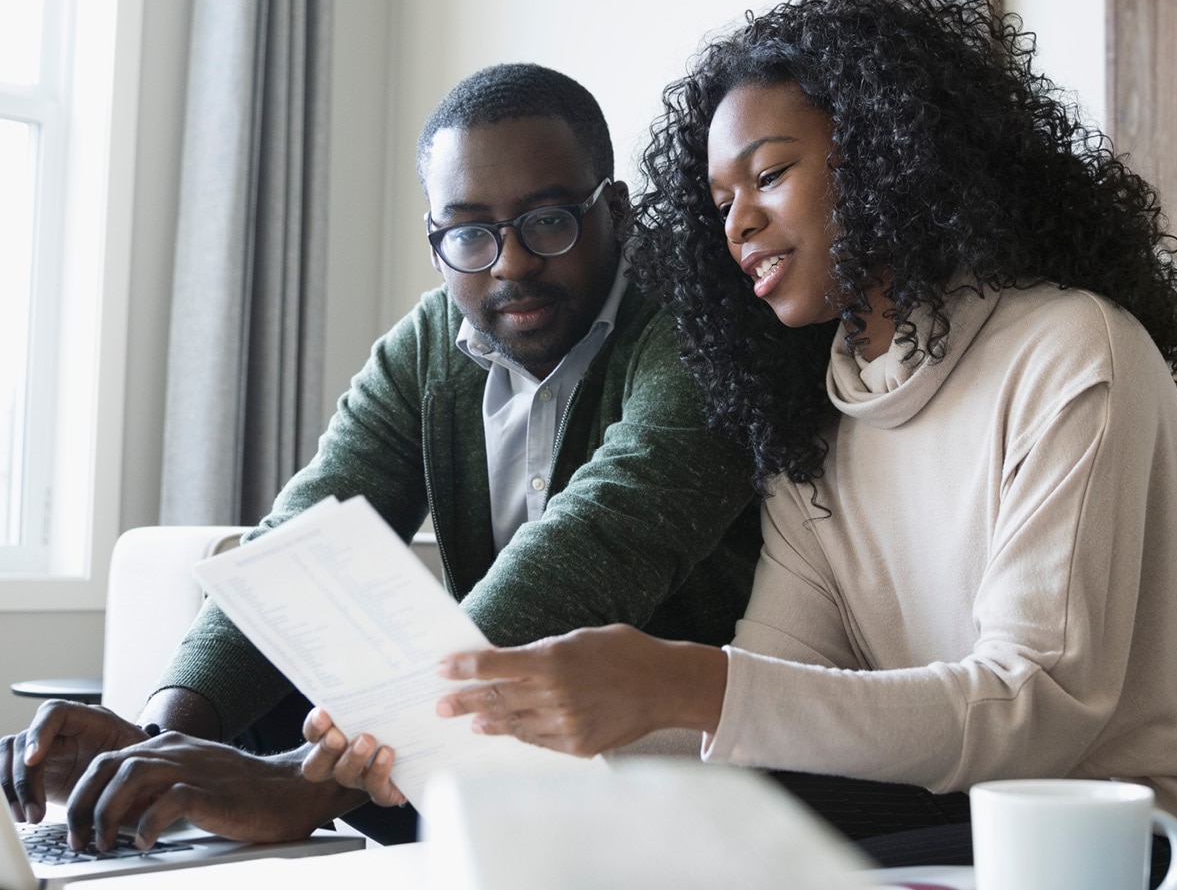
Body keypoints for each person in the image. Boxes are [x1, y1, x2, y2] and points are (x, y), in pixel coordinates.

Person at [304, 0, 1177, 890]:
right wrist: (517, 720)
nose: (734, 223)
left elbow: (1032, 709)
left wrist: (673, 678)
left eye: (769, 175)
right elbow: (774, 701)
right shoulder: (819, 419)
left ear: (883, 155)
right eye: (719, 195)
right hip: (1032, 836)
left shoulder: (1072, 350)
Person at [0, 63, 761, 851]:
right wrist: (157, 737)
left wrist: (305, 780)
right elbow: (300, 535)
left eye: (547, 221)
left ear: (614, 211)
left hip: (676, 774)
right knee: (291, 638)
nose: (509, 264)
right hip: (483, 759)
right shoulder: (428, 346)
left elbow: (595, 546)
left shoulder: (701, 321)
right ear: (434, 242)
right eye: (467, 233)